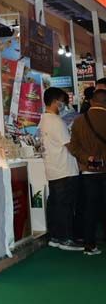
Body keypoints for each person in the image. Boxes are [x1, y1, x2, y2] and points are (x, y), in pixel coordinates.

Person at [40, 88, 82, 251]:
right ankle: (66, 239)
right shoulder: (57, 121)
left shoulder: (44, 119)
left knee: (56, 205)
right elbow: (69, 145)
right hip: (65, 169)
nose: (63, 105)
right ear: (55, 101)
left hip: (53, 168)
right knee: (65, 206)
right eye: (62, 101)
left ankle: (56, 237)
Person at [68, 89, 106, 255]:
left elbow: (73, 147)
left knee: (90, 208)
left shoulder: (78, 121)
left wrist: (87, 158)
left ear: (92, 101)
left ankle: (89, 245)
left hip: (88, 171)